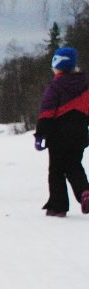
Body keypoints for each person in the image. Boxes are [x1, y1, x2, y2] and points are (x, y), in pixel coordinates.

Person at [34, 46, 89, 217]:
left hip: (58, 135)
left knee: (56, 170)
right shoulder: (85, 83)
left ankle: (58, 206)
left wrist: (40, 134)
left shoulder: (56, 86)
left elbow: (47, 111)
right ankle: (85, 192)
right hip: (80, 133)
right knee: (74, 165)